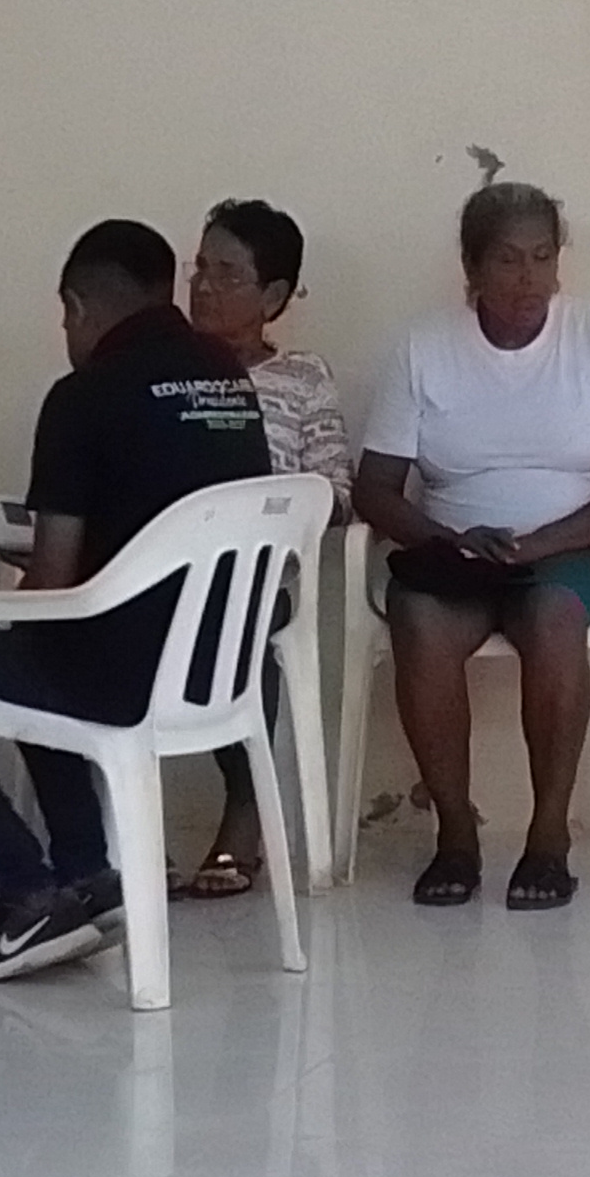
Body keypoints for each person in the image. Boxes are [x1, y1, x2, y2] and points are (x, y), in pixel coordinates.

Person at [0, 218, 273, 981]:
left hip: (123, 678)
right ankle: (87, 878)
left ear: (77, 307)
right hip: (220, 669)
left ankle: (27, 892)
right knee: (32, 653)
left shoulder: (82, 396)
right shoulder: (228, 378)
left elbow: (53, 582)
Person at [353, 175, 590, 910]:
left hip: (574, 554)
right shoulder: (423, 347)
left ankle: (549, 837)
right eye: (507, 260)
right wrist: (449, 541)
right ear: (471, 267)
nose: (528, 278)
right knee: (417, 617)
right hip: (461, 557)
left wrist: (539, 545)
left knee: (553, 618)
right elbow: (375, 489)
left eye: (542, 258)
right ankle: (455, 834)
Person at [180, 198, 349, 899]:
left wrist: (267, 506)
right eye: (200, 268)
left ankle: (245, 807)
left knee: (235, 614)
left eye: (227, 274)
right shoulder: (161, 371)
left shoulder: (302, 378)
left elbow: (338, 494)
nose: (204, 287)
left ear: (274, 296)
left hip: (255, 574)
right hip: (157, 567)